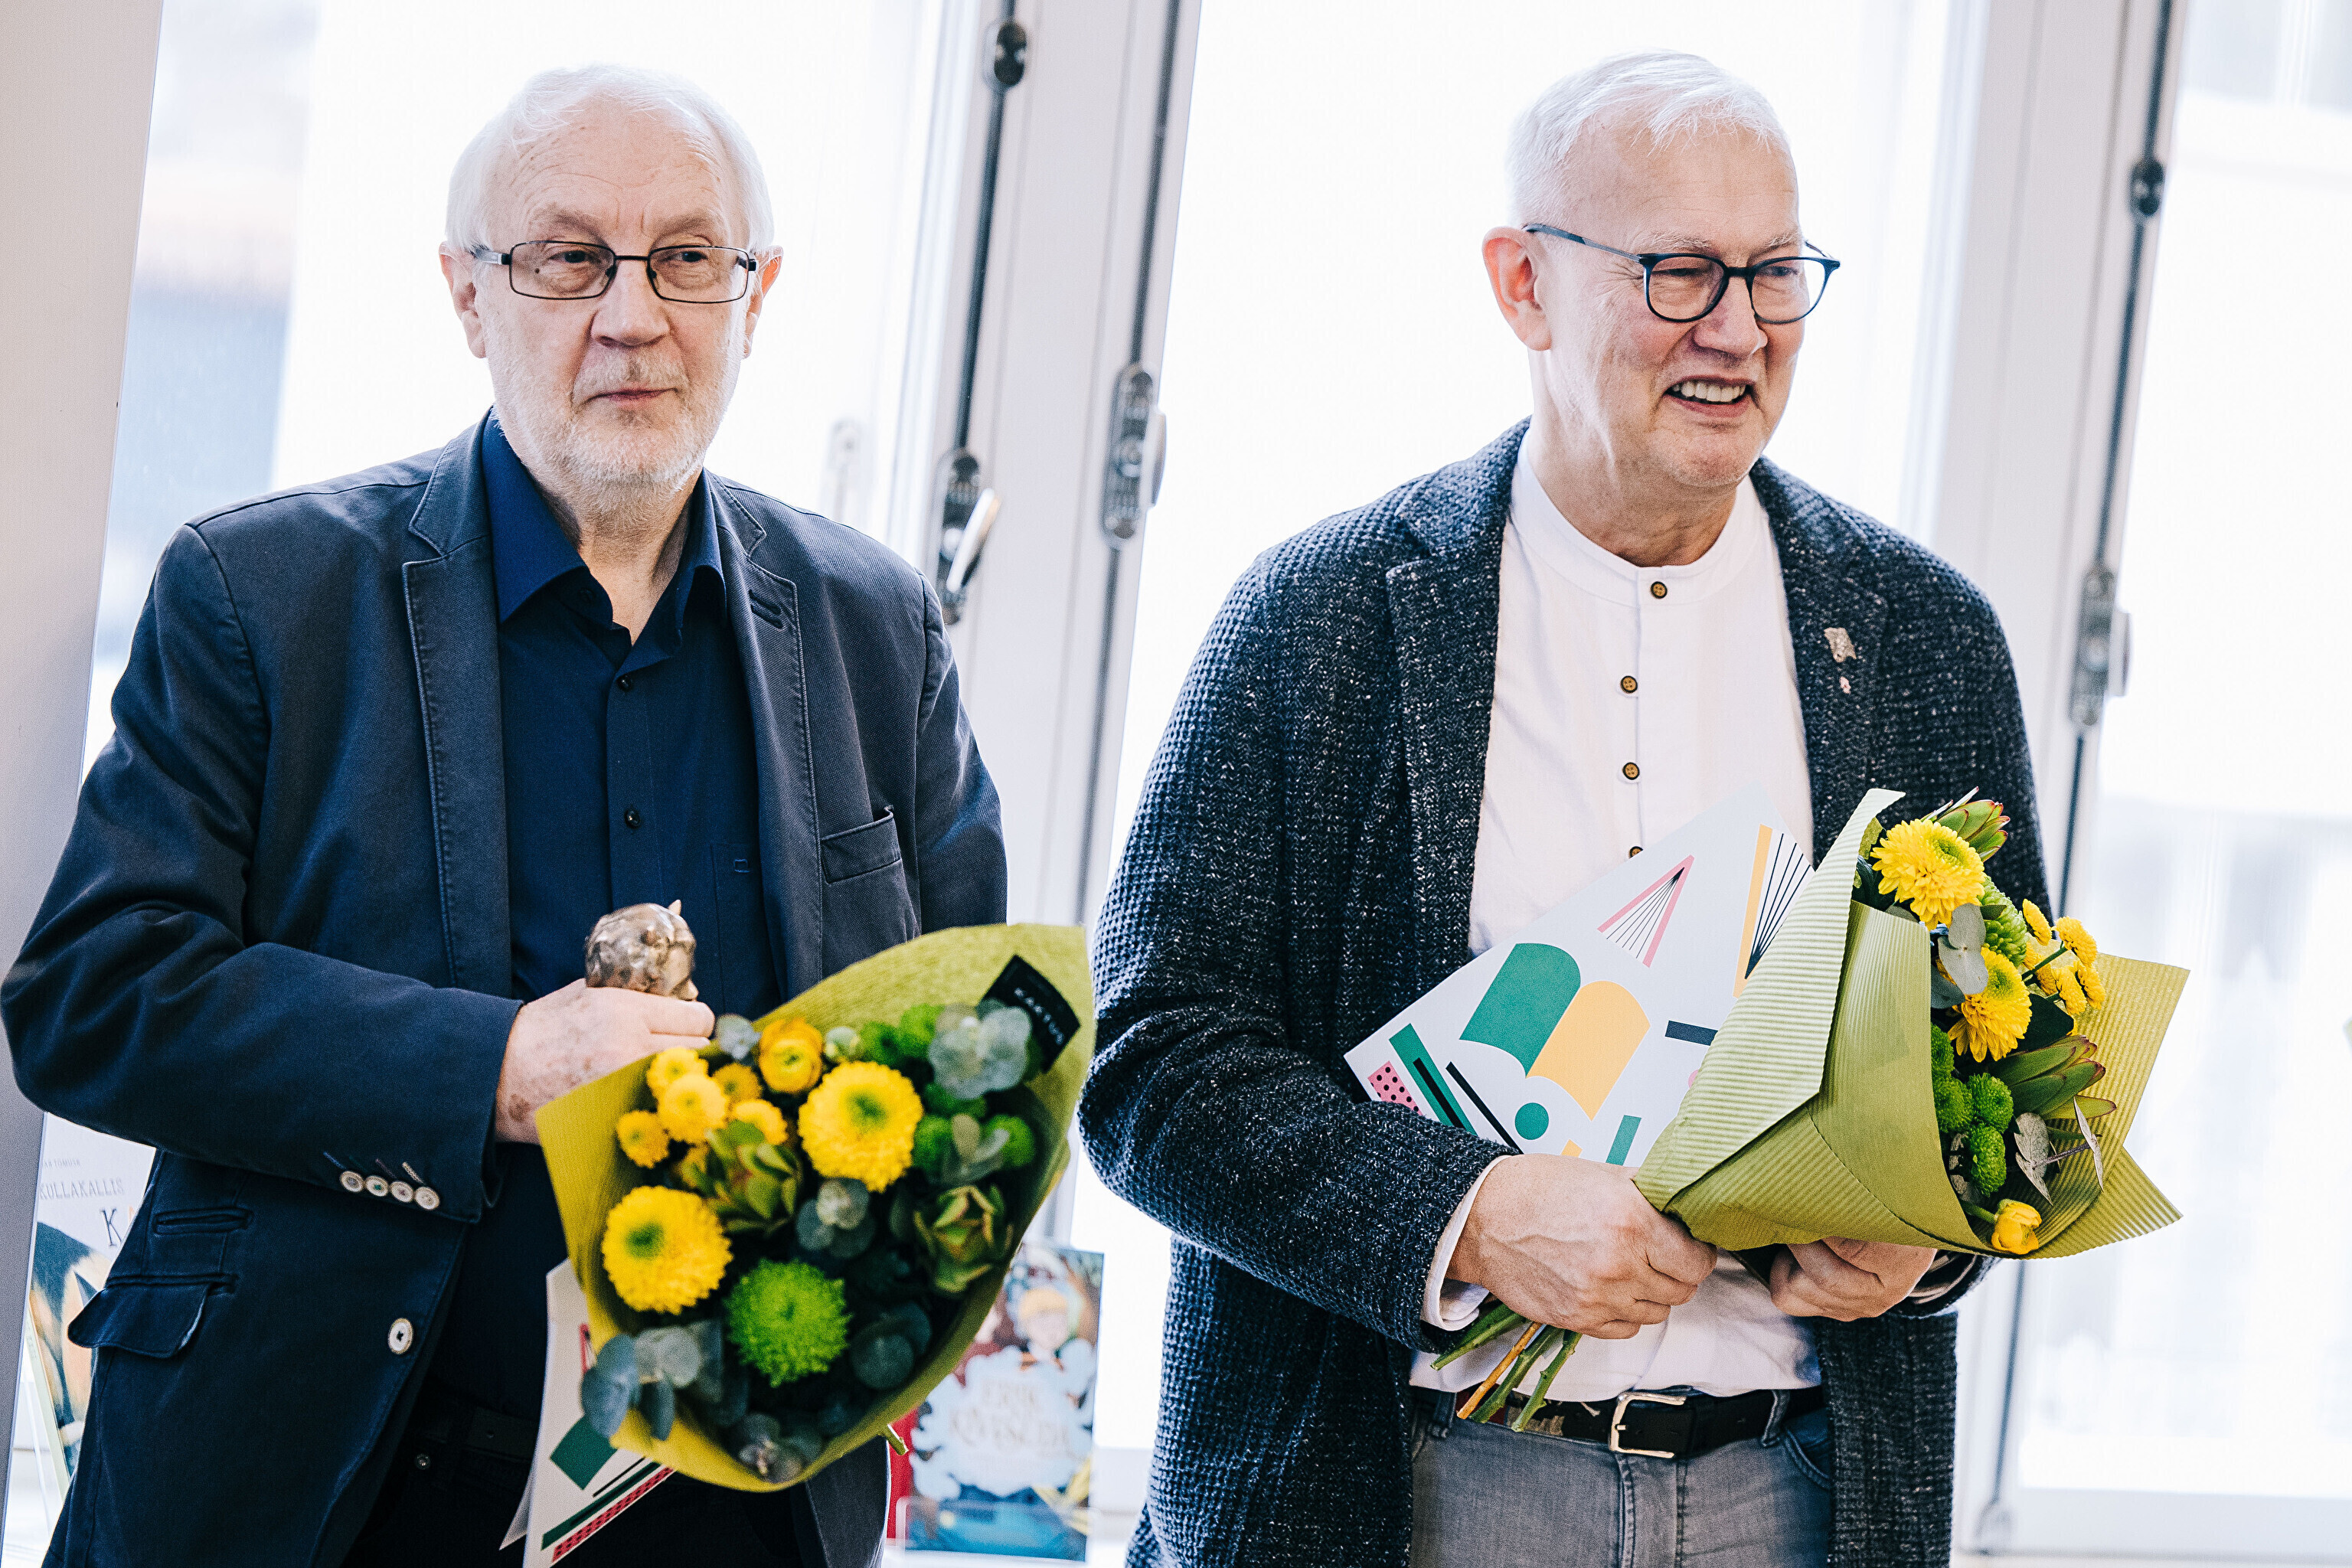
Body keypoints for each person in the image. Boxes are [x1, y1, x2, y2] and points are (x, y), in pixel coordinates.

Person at [3, 64, 1002, 1568]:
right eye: (568, 259)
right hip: (330, 1486)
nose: (633, 315)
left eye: (686, 258)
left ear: (756, 294)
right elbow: (93, 996)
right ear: (469, 296)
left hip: (737, 1506)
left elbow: (976, 1044)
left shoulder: (878, 626)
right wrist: (497, 1068)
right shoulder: (260, 593)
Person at [1080, 51, 2047, 1568]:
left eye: (1775, 273)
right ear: (1523, 284)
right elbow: (1153, 1069)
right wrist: (1465, 1215)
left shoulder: (1926, 636)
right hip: (1398, 1492)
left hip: (1801, 1499)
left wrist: (1923, 1242)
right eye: (1680, 273)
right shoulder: (1319, 617)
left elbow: (2010, 1071)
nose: (1738, 329)